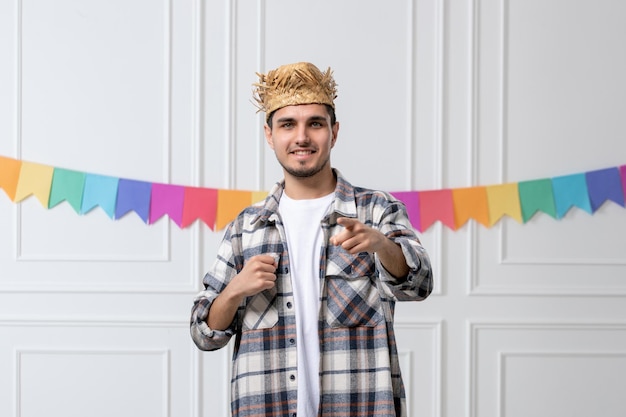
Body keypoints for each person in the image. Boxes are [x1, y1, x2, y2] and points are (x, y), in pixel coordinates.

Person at [190, 62, 433, 417]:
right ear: (269, 135)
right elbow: (204, 335)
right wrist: (234, 290)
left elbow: (420, 285)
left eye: (314, 124)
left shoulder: (376, 210)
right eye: (288, 124)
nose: (301, 137)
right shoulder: (247, 228)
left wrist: (382, 245)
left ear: (334, 133)